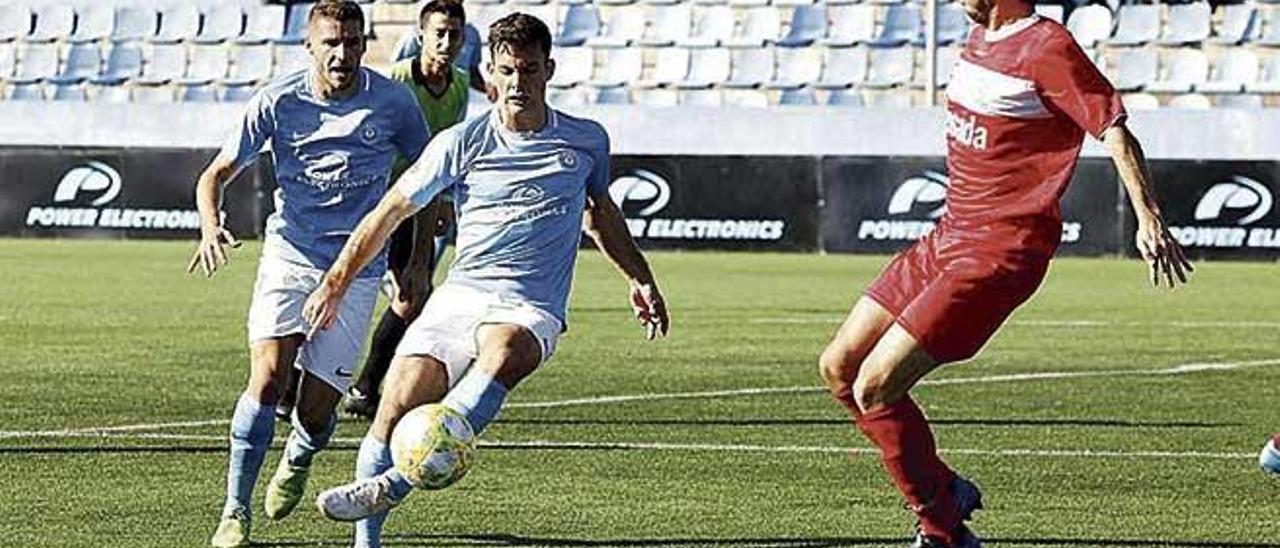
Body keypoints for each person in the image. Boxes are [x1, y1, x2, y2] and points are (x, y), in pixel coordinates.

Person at [815, 0, 1193, 545]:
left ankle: (943, 528)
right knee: (838, 368)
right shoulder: (976, 39)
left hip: (998, 252)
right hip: (948, 235)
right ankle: (945, 489)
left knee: (876, 386)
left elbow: (1113, 128)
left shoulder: (1048, 47)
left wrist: (1148, 217)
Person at [303, 13, 670, 548]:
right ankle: (367, 542)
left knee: (505, 350)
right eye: (505, 71)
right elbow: (390, 210)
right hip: (462, 295)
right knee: (395, 401)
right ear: (491, 73)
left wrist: (641, 278)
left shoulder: (587, 141)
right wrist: (335, 282)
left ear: (548, 68)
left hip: (529, 304)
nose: (517, 83)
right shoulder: (461, 141)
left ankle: (391, 484)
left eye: (528, 69)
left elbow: (599, 213)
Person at [187, 2, 430, 546]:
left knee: (317, 412)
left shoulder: (394, 104)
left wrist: (415, 261)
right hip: (290, 255)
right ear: (310, 46)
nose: (341, 53)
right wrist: (210, 225)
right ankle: (234, 511)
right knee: (269, 377)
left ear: (364, 43)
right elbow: (215, 174)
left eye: (350, 42)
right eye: (330, 43)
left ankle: (299, 454)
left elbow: (425, 182)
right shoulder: (277, 101)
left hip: (358, 269)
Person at [343, 0, 474, 420]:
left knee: (412, 296)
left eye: (454, 34)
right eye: (439, 32)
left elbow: (445, 154)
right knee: (340, 289)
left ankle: (365, 388)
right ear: (421, 36)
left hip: (418, 199)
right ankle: (294, 387)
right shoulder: (397, 81)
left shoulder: (459, 85)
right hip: (377, 199)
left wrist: (445, 200)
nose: (446, 41)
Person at [393, 12, 487, 95]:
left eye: (454, 35)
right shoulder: (417, 33)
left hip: (456, 102)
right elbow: (400, 69)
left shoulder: (471, 33)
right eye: (440, 34)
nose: (447, 44)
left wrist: (488, 89)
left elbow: (473, 72)